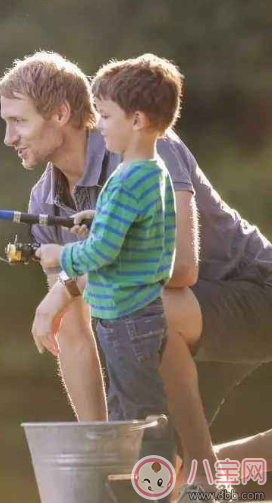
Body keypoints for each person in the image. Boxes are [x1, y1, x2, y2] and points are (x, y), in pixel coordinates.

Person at [0, 51, 271, 488]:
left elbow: (181, 270)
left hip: (255, 293)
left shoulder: (147, 149)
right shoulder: (44, 201)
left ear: (61, 114)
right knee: (156, 474)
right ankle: (191, 477)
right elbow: (73, 330)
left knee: (141, 306)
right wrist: (100, 454)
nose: (8, 137)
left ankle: (197, 478)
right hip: (174, 329)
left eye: (19, 121)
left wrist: (66, 286)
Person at [33, 55, 180, 456]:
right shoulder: (152, 171)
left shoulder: (125, 180)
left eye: (107, 115)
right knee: (135, 407)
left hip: (124, 318)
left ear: (137, 120)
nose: (99, 124)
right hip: (144, 312)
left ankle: (155, 487)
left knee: (136, 416)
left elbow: (101, 250)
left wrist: (59, 255)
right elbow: (141, 226)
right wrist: (100, 215)